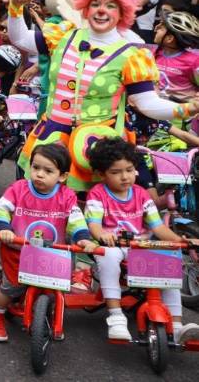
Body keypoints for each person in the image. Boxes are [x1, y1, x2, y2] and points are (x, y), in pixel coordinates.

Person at [9, 0, 199, 192]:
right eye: (95, 3)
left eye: (111, 5)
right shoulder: (63, 36)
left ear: (122, 12)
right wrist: (15, 7)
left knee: (90, 206)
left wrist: (187, 109)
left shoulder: (132, 54)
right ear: (86, 7)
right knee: (45, 199)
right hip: (52, 136)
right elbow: (20, 39)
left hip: (95, 145)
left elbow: (147, 103)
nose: (102, 11)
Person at [84, 137, 199, 343]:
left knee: (168, 263)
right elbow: (94, 224)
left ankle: (177, 325)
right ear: (102, 174)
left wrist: (181, 241)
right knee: (109, 257)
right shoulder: (98, 194)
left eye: (129, 170)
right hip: (114, 245)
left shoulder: (141, 194)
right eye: (116, 172)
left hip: (141, 245)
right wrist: (102, 235)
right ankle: (116, 316)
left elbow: (158, 227)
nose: (125, 177)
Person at [0, 143, 95, 342]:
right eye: (35, 167)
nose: (39, 174)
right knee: (11, 287)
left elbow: (76, 219)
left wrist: (83, 238)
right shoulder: (19, 189)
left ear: (62, 176)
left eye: (48, 171)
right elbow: (2, 208)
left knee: (54, 288)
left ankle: (50, 316)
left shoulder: (66, 196)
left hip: (53, 252)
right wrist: (4, 228)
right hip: (19, 250)